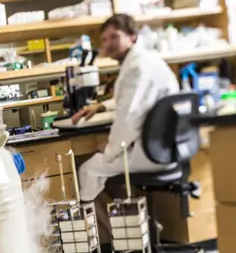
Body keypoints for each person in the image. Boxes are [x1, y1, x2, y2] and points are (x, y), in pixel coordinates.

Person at [73, 13, 179, 204]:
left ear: (133, 36)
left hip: (150, 151)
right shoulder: (145, 60)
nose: (108, 43)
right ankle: (125, 225)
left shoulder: (136, 67)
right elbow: (136, 100)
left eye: (115, 37)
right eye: (105, 39)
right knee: (103, 174)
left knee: (87, 169)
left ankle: (98, 231)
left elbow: (129, 117)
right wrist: (102, 106)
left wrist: (111, 149)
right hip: (164, 146)